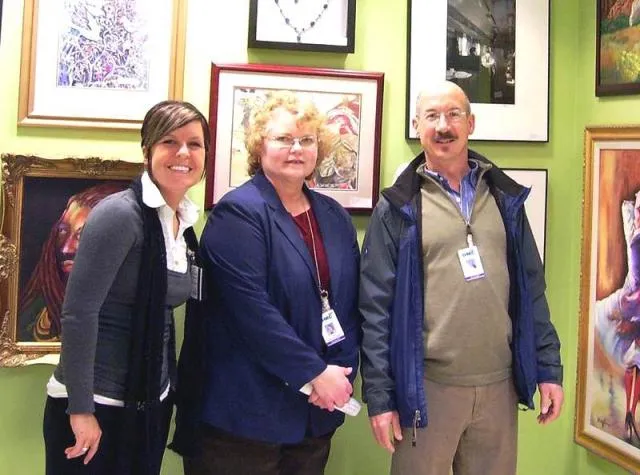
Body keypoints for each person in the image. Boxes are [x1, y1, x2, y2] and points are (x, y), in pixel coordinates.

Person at [359, 81, 564, 475]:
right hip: (426, 390)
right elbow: (375, 309)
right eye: (432, 116)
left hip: (499, 388)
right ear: (417, 125)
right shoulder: (398, 208)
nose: (443, 126)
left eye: (453, 114)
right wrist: (381, 399)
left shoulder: (505, 199)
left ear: (471, 123)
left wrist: (548, 369)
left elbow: (532, 290)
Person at [179, 91, 361, 475]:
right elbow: (252, 314)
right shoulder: (238, 214)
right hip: (244, 417)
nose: (296, 149)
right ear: (259, 146)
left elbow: (348, 305)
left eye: (307, 140)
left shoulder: (333, 216)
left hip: (316, 413)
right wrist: (315, 374)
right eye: (283, 139)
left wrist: (341, 375)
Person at [42, 100, 210, 475]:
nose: (183, 153)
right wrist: (81, 410)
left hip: (147, 401)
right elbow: (78, 312)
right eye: (169, 141)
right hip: (94, 405)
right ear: (147, 150)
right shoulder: (120, 214)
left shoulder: (182, 224)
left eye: (194, 144)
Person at [18, 183, 126, 342]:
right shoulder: (39, 304)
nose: (66, 248)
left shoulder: (122, 312)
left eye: (82, 234)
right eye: (63, 231)